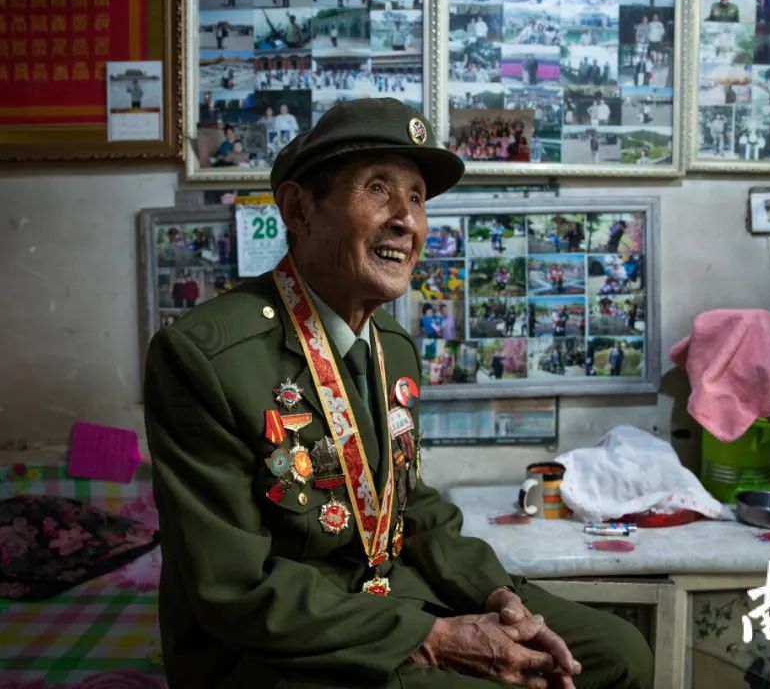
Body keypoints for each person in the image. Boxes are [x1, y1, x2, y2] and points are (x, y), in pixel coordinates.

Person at [145, 98, 653, 687]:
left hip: (391, 598)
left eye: (415, 198)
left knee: (621, 653)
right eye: (378, 189)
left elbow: (406, 505)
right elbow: (235, 589)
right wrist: (434, 638)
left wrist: (497, 595)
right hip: (278, 645)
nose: (406, 220)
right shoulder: (204, 357)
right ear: (298, 208)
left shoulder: (392, 345)